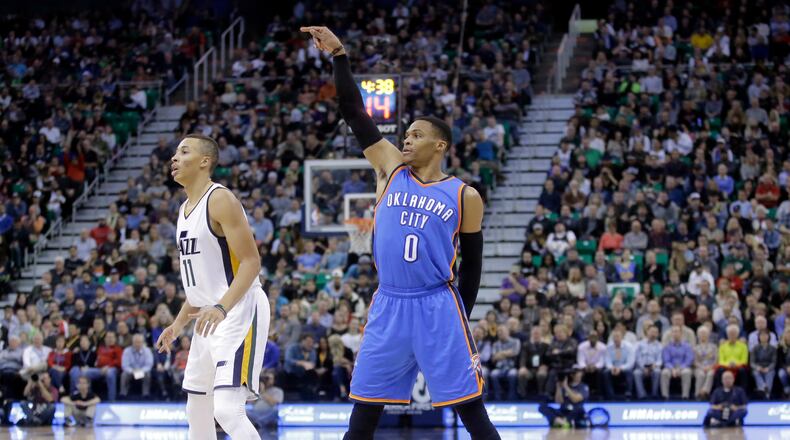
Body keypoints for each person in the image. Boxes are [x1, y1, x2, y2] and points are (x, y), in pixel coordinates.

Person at [300, 26, 497, 440]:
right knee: (365, 409)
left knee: (470, 410)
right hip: (390, 301)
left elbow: (474, 264)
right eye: (405, 134)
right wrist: (339, 55)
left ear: (440, 146)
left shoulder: (465, 195)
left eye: (417, 135)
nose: (406, 140)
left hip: (438, 304)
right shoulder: (391, 169)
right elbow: (355, 112)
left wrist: (460, 312)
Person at [155, 133, 271, 439]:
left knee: (227, 409)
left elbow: (251, 262)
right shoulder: (183, 212)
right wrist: (177, 325)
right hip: (208, 316)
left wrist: (222, 307)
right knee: (197, 408)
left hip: (238, 309)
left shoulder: (220, 199)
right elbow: (199, 286)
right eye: (175, 153)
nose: (174, 158)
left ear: (205, 161)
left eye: (184, 152)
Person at [660, 326, 694, 399]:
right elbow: (666, 360)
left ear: (681, 333)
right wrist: (672, 369)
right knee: (664, 373)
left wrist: (680, 369)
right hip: (670, 367)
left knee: (686, 373)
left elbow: (689, 360)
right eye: (673, 332)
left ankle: (685, 396)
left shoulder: (687, 346)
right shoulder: (667, 346)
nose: (675, 334)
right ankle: (665, 396)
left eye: (677, 332)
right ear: (671, 334)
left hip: (684, 367)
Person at [489, 325, 520, 401]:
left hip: (511, 367)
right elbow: (494, 358)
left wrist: (500, 354)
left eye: (501, 331)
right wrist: (507, 353)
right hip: (499, 368)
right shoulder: (495, 344)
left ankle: (512, 395)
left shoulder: (516, 341)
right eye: (498, 331)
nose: (499, 333)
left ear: (507, 332)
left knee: (512, 374)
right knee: (493, 374)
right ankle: (498, 396)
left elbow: (515, 352)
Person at [603, 329, 635, 399]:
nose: (616, 339)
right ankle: (610, 395)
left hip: (624, 368)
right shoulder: (609, 347)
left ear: (622, 337)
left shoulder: (629, 347)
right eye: (614, 337)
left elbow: (630, 363)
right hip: (613, 368)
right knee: (605, 372)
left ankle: (628, 393)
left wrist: (620, 368)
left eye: (617, 337)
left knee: (629, 372)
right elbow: (607, 361)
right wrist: (612, 368)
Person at [120, 334, 154, 399]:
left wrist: (140, 371)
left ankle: (145, 395)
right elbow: (124, 365)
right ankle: (123, 394)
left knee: (148, 374)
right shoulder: (127, 351)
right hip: (131, 372)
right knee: (124, 374)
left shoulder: (147, 351)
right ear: (132, 343)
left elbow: (149, 365)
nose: (137, 344)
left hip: (142, 372)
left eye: (139, 342)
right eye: (136, 342)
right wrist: (133, 371)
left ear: (142, 343)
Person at [634, 325, 663, 399]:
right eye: (652, 331)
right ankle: (642, 395)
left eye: (656, 332)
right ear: (647, 332)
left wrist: (655, 365)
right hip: (641, 367)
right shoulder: (639, 344)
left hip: (653, 367)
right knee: (636, 373)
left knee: (657, 371)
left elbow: (660, 360)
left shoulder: (659, 345)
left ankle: (654, 394)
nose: (654, 334)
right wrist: (643, 368)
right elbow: (637, 358)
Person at [750, 330, 777, 398]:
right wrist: (758, 368)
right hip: (758, 367)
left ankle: (767, 393)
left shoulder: (773, 349)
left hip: (768, 367)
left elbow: (774, 362)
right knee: (755, 373)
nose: (763, 337)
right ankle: (763, 388)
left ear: (768, 337)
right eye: (762, 335)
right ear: (759, 337)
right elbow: (752, 362)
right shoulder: (755, 348)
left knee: (770, 373)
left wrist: (768, 368)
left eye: (765, 335)